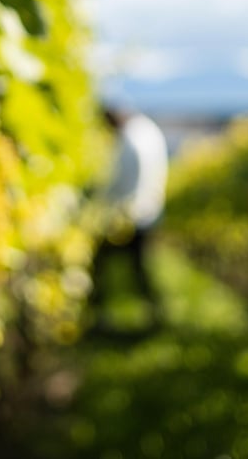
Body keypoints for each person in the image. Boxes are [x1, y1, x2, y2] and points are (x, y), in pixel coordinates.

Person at [89, 106, 169, 330]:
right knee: (139, 268)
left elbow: (119, 181)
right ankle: (156, 317)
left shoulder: (131, 139)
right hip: (146, 213)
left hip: (129, 216)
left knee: (102, 267)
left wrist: (100, 208)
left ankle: (100, 318)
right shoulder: (148, 131)